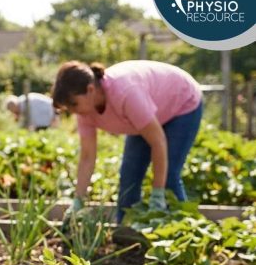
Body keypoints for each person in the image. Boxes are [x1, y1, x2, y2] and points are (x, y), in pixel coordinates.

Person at [52, 60, 203, 223]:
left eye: (74, 104)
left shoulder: (125, 93)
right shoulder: (84, 112)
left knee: (169, 177)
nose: (73, 111)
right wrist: (78, 200)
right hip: (145, 116)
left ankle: (184, 228)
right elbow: (88, 156)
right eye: (69, 108)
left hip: (181, 102)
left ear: (90, 89)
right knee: (129, 180)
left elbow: (158, 141)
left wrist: (158, 193)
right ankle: (125, 232)